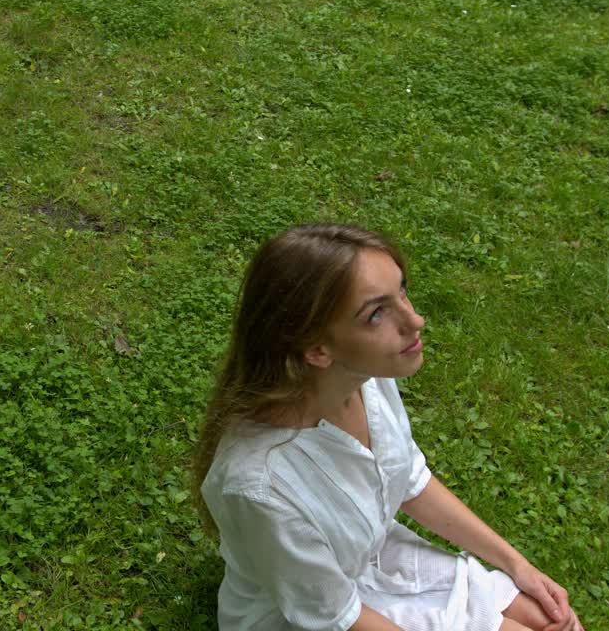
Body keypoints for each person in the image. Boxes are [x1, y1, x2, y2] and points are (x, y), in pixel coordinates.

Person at [194, 224, 582, 631]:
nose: (415, 320)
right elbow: (338, 616)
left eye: (402, 291)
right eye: (376, 314)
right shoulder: (260, 486)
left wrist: (516, 565)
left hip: (376, 559)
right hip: (310, 616)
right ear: (317, 349)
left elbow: (410, 479)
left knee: (549, 619)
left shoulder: (364, 377)